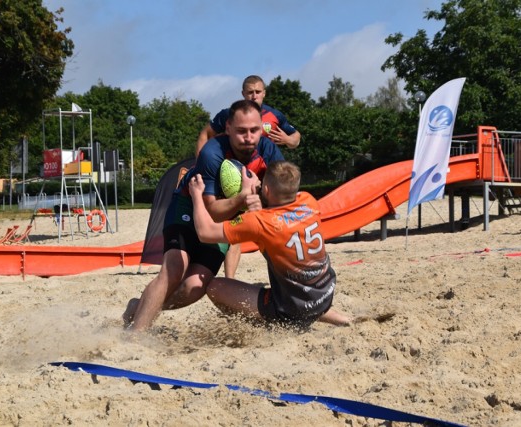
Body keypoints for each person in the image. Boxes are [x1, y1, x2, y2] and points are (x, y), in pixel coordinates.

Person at [124, 99, 285, 332]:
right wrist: (242, 198)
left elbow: (281, 197)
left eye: (254, 130)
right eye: (241, 131)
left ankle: (140, 306)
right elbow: (212, 210)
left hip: (225, 217)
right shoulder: (212, 153)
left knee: (194, 288)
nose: (248, 137)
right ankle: (136, 335)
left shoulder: (269, 151)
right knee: (174, 270)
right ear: (228, 128)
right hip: (188, 208)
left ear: (262, 127)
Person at [189, 160, 351, 328]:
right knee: (301, 288)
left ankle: (264, 327)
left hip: (292, 309)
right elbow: (278, 222)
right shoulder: (309, 201)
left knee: (215, 287)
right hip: (324, 295)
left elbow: (205, 233)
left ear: (265, 189)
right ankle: (340, 318)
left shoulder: (259, 222)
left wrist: (197, 196)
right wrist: (259, 209)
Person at [196, 75, 301, 279]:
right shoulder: (229, 115)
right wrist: (200, 166)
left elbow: (296, 138)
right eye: (250, 92)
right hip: (233, 174)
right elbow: (204, 135)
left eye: (258, 92)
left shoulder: (275, 115)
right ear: (243, 94)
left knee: (271, 229)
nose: (254, 96)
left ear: (264, 93)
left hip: (264, 177)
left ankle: (287, 276)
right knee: (236, 230)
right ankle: (230, 279)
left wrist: (287, 139)